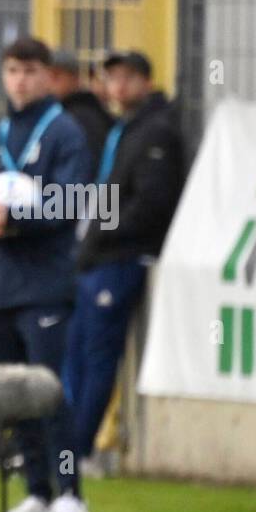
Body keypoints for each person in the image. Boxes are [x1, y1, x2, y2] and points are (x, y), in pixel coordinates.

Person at [0, 35, 94, 512]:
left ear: (47, 75)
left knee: (47, 389)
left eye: (30, 71)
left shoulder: (65, 133)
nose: (20, 80)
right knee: (13, 396)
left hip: (44, 284)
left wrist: (13, 219)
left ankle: (72, 497)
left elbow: (68, 203)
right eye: (12, 70)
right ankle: (37, 491)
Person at [63, 50, 184, 470]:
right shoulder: (125, 129)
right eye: (111, 78)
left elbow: (152, 203)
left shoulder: (157, 133)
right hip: (96, 257)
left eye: (127, 78)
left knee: (98, 355)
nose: (118, 87)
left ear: (146, 82)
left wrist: (104, 232)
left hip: (122, 258)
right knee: (76, 353)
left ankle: (79, 451)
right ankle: (65, 449)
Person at [48, 49, 113, 166]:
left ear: (75, 78)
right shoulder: (53, 112)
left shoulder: (83, 116)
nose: (49, 82)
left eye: (56, 76)